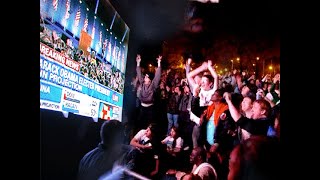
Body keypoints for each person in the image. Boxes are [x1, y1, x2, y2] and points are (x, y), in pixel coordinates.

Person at [135, 54, 162, 132]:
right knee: (141, 123)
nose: (145, 77)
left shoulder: (153, 85)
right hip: (142, 107)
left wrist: (159, 63)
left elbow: (157, 75)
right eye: (145, 76)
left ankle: (148, 138)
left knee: (149, 125)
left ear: (150, 79)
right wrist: (138, 63)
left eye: (146, 77)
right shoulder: (142, 83)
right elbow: (139, 73)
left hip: (150, 108)